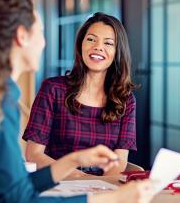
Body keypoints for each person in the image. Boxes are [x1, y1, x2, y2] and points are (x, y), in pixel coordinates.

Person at [0, 0, 154, 202]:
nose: (44, 42)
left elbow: (13, 186)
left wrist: (74, 160)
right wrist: (110, 199)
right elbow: (18, 197)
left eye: (108, 43)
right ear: (22, 36)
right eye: (40, 32)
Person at [23, 12, 137, 177]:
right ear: (80, 44)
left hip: (104, 187)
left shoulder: (125, 100)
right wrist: (83, 179)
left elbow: (119, 160)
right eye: (91, 39)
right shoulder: (53, 89)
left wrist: (99, 188)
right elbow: (34, 155)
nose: (98, 47)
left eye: (108, 43)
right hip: (58, 183)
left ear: (117, 52)